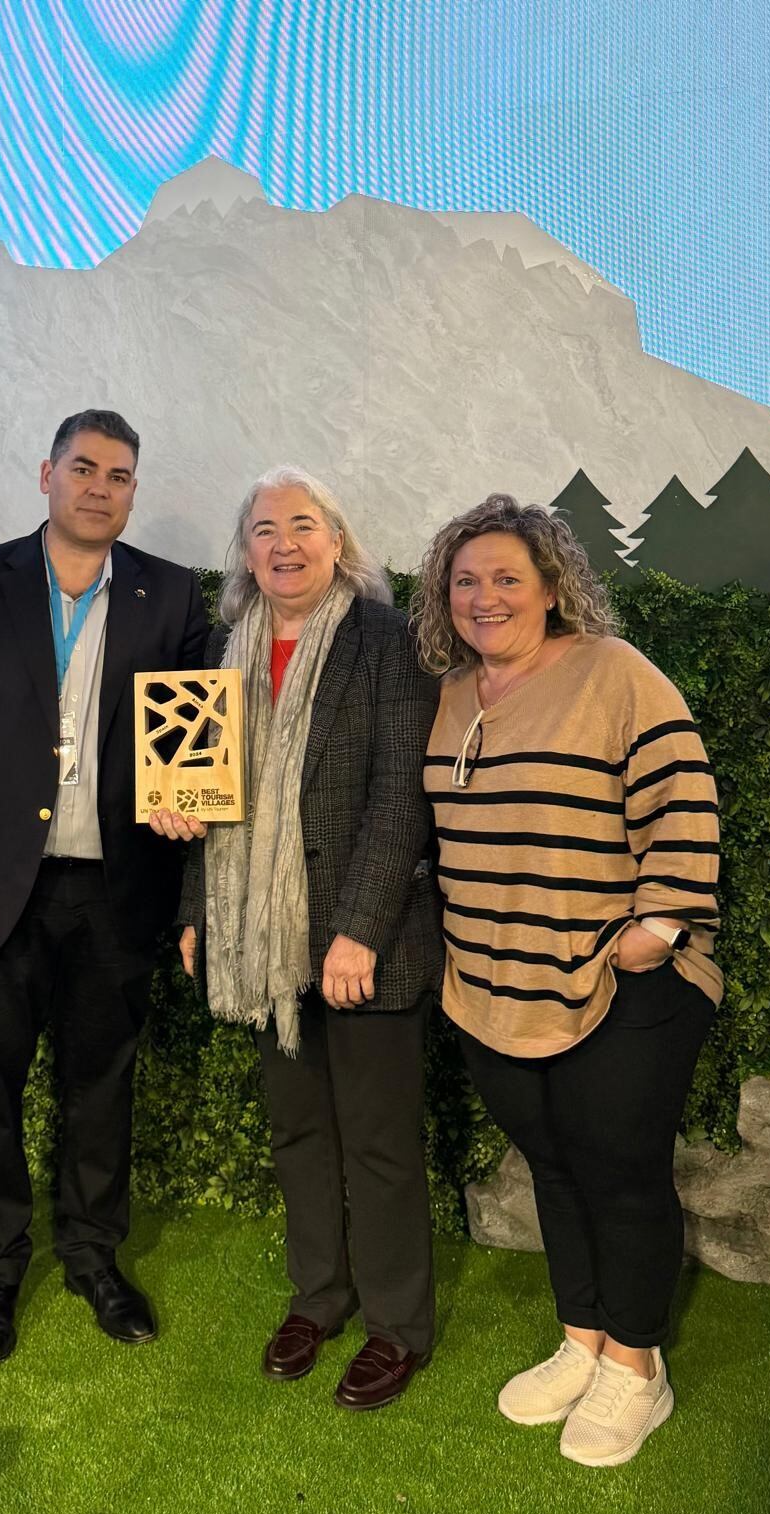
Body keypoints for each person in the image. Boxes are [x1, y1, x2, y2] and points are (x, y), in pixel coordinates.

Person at [0, 409, 209, 1363]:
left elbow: (191, 736)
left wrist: (188, 797)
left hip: (117, 889)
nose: (99, 486)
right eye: (83, 468)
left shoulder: (171, 594)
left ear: (132, 491)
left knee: (99, 1087)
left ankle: (92, 1256)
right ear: (46, 474)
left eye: (118, 475)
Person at [417, 492, 720, 1467]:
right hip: (493, 986)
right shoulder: (455, 692)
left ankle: (637, 1369)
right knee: (550, 1162)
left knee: (621, 1174)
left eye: (506, 577)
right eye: (465, 581)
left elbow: (680, 791)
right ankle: (581, 1338)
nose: (484, 596)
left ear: (552, 586)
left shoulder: (613, 673)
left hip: (618, 980)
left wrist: (658, 924)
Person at [154, 466, 441, 1410]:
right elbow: (204, 805)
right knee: (299, 1130)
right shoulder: (219, 651)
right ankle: (321, 1294)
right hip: (258, 944)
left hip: (365, 944)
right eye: (264, 527)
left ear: (338, 543)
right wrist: (200, 911)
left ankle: (398, 1325)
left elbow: (403, 794)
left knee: (380, 1143)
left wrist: (359, 931)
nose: (284, 542)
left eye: (303, 525)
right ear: (245, 552)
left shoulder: (386, 641)